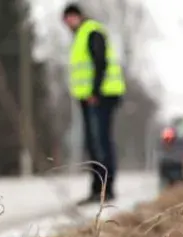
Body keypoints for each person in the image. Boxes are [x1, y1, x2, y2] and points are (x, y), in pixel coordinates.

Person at [62, 4, 126, 204]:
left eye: (71, 17)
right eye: (66, 19)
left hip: (100, 96)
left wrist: (94, 92)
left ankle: (105, 188)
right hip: (91, 97)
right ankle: (98, 188)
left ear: (79, 16)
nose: (69, 23)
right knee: (94, 143)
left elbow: (101, 63)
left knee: (100, 143)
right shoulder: (81, 35)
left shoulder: (91, 32)